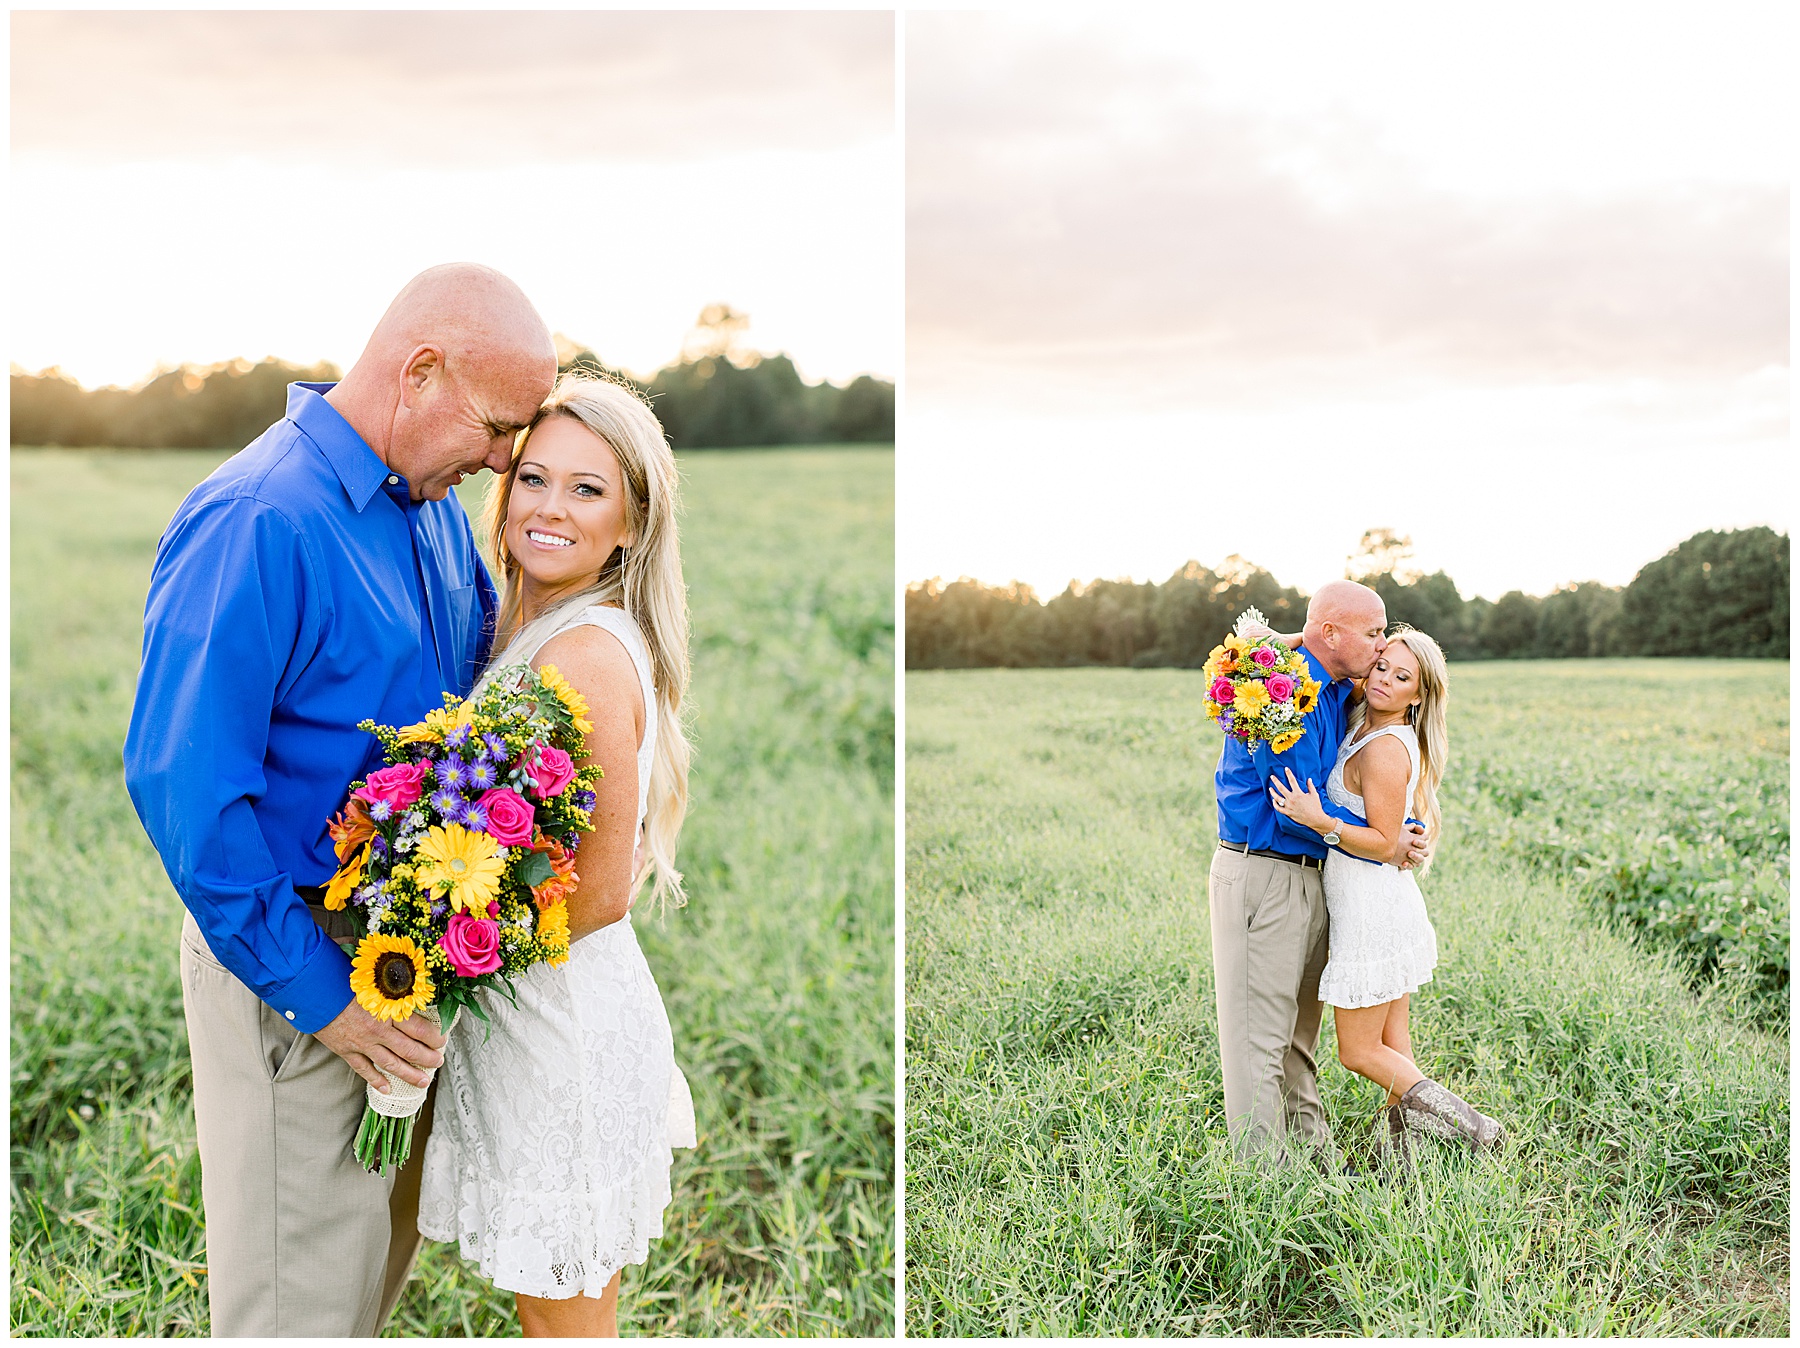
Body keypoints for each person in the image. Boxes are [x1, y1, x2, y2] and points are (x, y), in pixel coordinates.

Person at [123, 263, 558, 1336]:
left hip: (406, 969)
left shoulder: (432, 514)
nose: (506, 461)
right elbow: (188, 791)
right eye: (501, 429)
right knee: (293, 1313)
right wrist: (330, 1002)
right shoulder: (256, 518)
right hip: (297, 972)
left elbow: (467, 713)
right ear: (419, 373)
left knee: (362, 1289)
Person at [416, 373, 697, 1338]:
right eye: (535, 478)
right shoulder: (527, 625)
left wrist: (439, 954)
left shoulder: (583, 651)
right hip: (526, 1015)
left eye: (588, 490)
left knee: (567, 1326)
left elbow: (604, 889)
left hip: (560, 1030)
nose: (551, 508)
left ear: (631, 523)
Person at [1207, 580, 1429, 1161]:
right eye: (1375, 631)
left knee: (1297, 1040)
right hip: (1264, 872)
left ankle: (1312, 1163)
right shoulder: (1275, 693)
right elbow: (1302, 804)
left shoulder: (1333, 687)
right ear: (1331, 633)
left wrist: (1397, 831)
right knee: (1258, 1041)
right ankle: (1261, 1186)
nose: (1382, 648)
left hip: (1315, 877)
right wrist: (1386, 842)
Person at [1267, 627, 1503, 1152]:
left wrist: (1318, 819)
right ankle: (1402, 1160)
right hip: (1379, 901)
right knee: (1394, 1046)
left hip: (1370, 908)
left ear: (1417, 696)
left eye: (1403, 678)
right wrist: (1305, 633)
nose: (1385, 681)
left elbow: (1380, 842)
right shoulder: (1362, 724)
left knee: (1358, 1051)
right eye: (1382, 667)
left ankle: (1475, 1129)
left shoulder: (1385, 750)